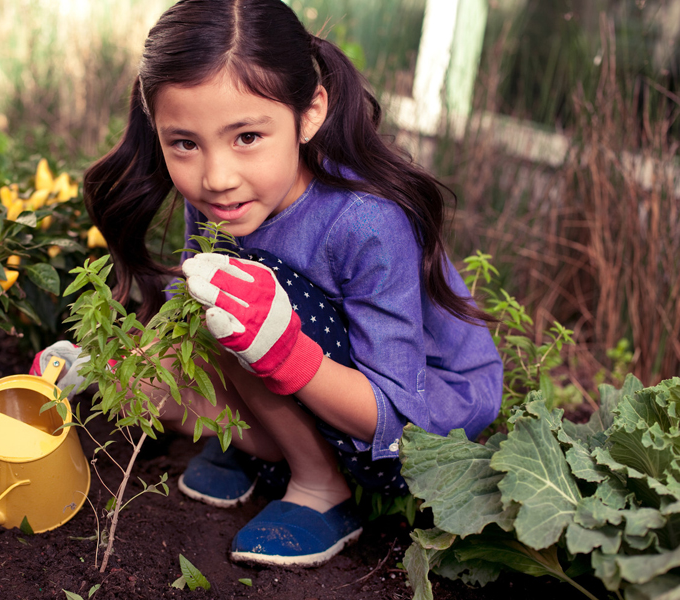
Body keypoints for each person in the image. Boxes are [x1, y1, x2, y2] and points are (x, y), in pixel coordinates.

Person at [47, 0, 503, 568]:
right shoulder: (224, 198)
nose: (216, 176)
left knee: (237, 299)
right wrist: (111, 360)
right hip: (316, 374)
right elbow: (190, 312)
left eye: (246, 137)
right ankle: (266, 448)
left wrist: (283, 352)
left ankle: (321, 486)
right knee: (202, 315)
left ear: (309, 113)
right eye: (184, 143)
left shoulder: (365, 222)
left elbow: (399, 417)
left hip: (413, 432)